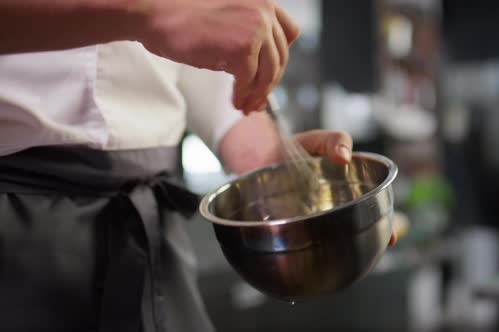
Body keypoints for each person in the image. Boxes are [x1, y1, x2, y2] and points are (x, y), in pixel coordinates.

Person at [0, 1, 394, 331]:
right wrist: (149, 13)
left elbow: (202, 79)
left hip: (146, 239)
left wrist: (279, 171)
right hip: (16, 227)